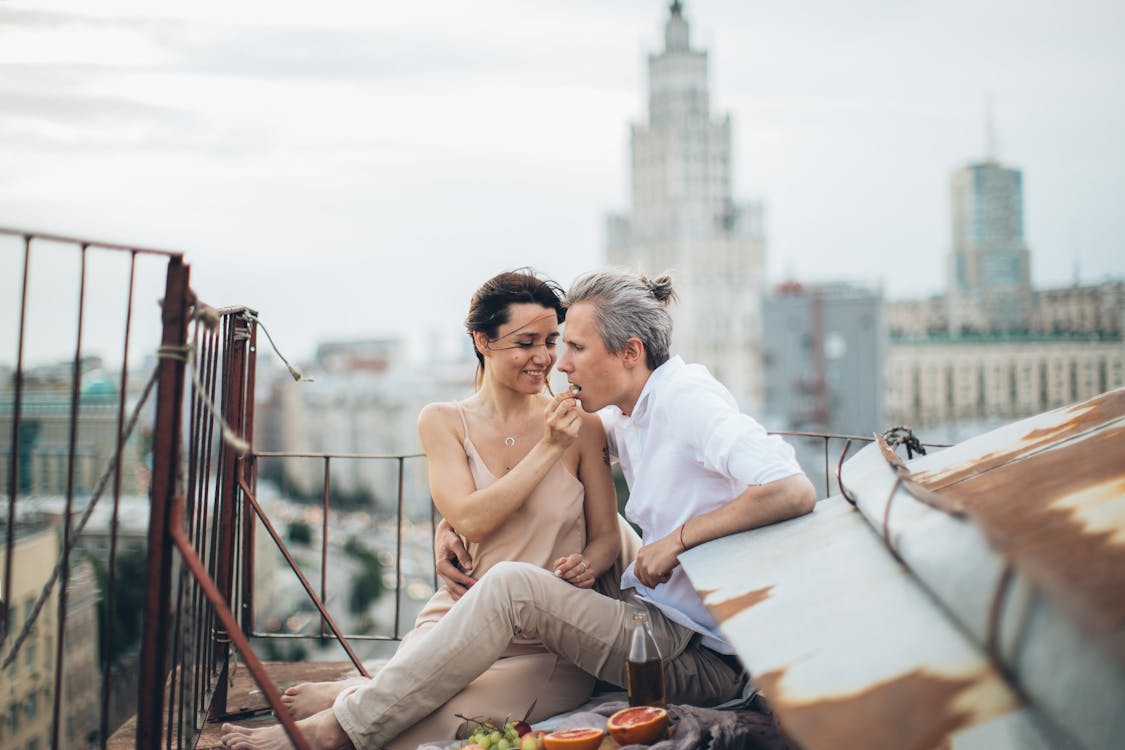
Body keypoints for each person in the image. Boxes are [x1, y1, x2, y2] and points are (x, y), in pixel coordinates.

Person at [221, 269, 815, 750]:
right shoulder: (627, 413)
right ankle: (362, 697)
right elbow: (520, 488)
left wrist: (677, 539)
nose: (559, 363)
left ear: (630, 352)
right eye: (546, 344)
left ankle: (341, 728)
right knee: (487, 614)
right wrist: (451, 523)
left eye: (571, 345)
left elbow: (791, 488)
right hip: (656, 617)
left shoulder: (683, 401)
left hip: (697, 653)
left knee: (507, 594)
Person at [235, 270, 620, 749]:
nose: (544, 358)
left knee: (414, 728)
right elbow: (472, 518)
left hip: (547, 646)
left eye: (550, 340)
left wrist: (589, 564)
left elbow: (605, 535)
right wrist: (547, 448)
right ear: (482, 340)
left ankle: (342, 710)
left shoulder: (580, 427)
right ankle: (358, 698)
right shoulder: (442, 420)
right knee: (409, 703)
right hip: (456, 621)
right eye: (525, 342)